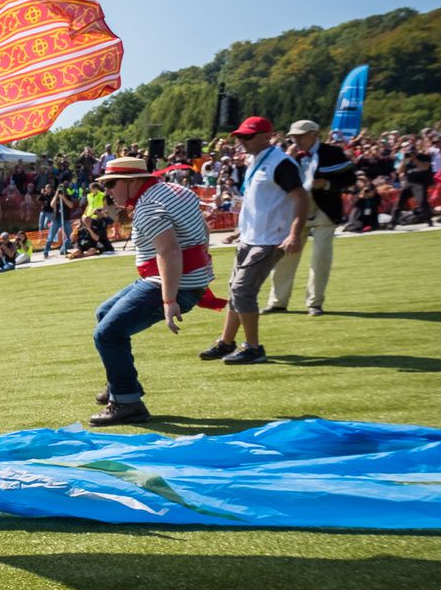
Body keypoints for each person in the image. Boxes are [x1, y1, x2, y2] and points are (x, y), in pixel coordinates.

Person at [88, 157, 218, 425]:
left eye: (111, 184)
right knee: (104, 313)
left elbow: (168, 251)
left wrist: (169, 300)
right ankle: (120, 384)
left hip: (171, 282)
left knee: (107, 334)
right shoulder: (176, 191)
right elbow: (203, 231)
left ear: (133, 181)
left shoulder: (149, 207)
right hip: (183, 279)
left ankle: (127, 402)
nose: (107, 192)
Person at [199, 117, 308, 366]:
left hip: (270, 239)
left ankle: (253, 347)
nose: (241, 141)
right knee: (236, 290)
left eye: (247, 136)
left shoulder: (281, 163)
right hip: (251, 237)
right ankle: (227, 342)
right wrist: (239, 231)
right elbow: (258, 202)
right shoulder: (255, 161)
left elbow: (301, 198)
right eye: (240, 136)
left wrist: (294, 233)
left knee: (242, 290)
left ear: (267, 136)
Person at [267, 120, 354, 316]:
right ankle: (277, 302)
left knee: (320, 259)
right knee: (286, 257)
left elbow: (350, 178)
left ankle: (314, 303)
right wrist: (287, 160)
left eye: (300, 135)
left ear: (314, 134)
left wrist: (326, 185)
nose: (295, 139)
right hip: (295, 211)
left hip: (325, 210)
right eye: (293, 136)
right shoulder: (286, 155)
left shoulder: (333, 153)